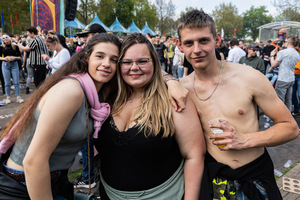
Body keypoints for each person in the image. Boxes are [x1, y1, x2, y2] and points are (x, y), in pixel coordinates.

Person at [176, 9, 299, 199]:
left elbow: (291, 128)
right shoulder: (182, 89)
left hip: (255, 177)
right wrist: (168, 80)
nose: (196, 49)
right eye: (189, 43)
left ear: (217, 40)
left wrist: (246, 140)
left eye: (203, 40)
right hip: (215, 179)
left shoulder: (248, 77)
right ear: (180, 46)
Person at [0, 33, 121, 200]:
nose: (106, 64)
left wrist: (169, 81)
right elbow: (33, 162)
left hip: (55, 179)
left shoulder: (95, 93)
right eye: (100, 56)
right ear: (86, 57)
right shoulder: (71, 91)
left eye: (114, 60)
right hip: (24, 184)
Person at [94, 33, 205, 200]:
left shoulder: (174, 98)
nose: (134, 68)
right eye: (127, 62)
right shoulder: (108, 95)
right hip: (109, 194)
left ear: (154, 62)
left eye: (142, 61)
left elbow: (194, 155)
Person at [270, 36, 300, 111]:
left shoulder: (283, 52)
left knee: (280, 100)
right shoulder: (296, 54)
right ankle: (288, 117)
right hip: (291, 78)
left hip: (283, 78)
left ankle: (281, 118)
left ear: (288, 43)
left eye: (285, 41)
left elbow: (273, 65)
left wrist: (271, 56)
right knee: (288, 100)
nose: (284, 43)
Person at [0, 34, 24, 104]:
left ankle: (18, 97)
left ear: (10, 38)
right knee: (7, 82)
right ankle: (8, 97)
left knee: (16, 81)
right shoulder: (1, 47)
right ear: (2, 40)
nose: (5, 39)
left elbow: (19, 57)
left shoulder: (15, 47)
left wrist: (14, 57)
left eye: (7, 37)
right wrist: (5, 58)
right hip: (5, 65)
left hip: (14, 64)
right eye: (3, 38)